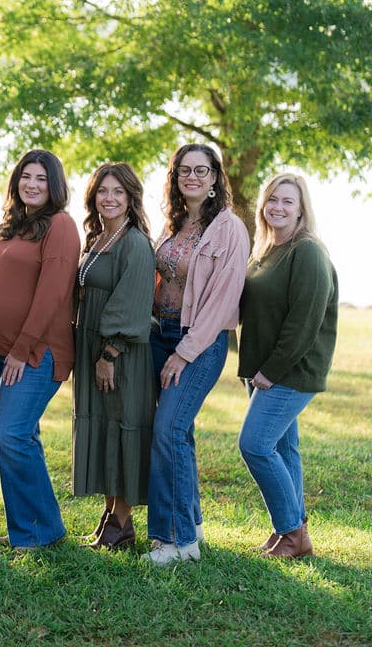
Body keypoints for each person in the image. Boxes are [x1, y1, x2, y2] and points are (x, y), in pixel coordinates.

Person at [144, 143, 248, 565]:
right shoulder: (172, 223)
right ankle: (192, 527)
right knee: (178, 434)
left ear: (214, 179)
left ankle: (175, 541)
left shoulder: (228, 229)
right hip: (160, 333)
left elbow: (223, 302)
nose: (192, 177)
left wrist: (184, 353)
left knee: (167, 431)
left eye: (201, 171)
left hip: (198, 343)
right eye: (184, 170)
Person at [0, 150, 79, 550]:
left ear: (55, 185)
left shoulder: (61, 226)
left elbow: (53, 294)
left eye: (41, 178)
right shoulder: (16, 225)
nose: (32, 184)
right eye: (26, 176)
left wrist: (22, 348)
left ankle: (40, 531)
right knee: (20, 435)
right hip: (2, 351)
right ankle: (30, 529)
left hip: (35, 352)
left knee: (12, 435)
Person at [237, 173, 337, 559]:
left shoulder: (307, 251)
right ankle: (294, 533)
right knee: (284, 447)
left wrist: (270, 370)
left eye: (288, 201)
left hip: (290, 372)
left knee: (255, 445)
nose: (277, 207)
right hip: (263, 368)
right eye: (272, 199)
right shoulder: (266, 250)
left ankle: (291, 531)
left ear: (301, 209)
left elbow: (303, 323)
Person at [72, 163, 156, 551]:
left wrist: (109, 353)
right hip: (92, 348)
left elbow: (133, 304)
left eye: (117, 192)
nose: (109, 198)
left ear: (131, 198)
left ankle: (122, 520)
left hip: (120, 354)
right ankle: (111, 515)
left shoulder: (134, 243)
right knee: (104, 426)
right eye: (103, 191)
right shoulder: (98, 238)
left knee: (123, 424)